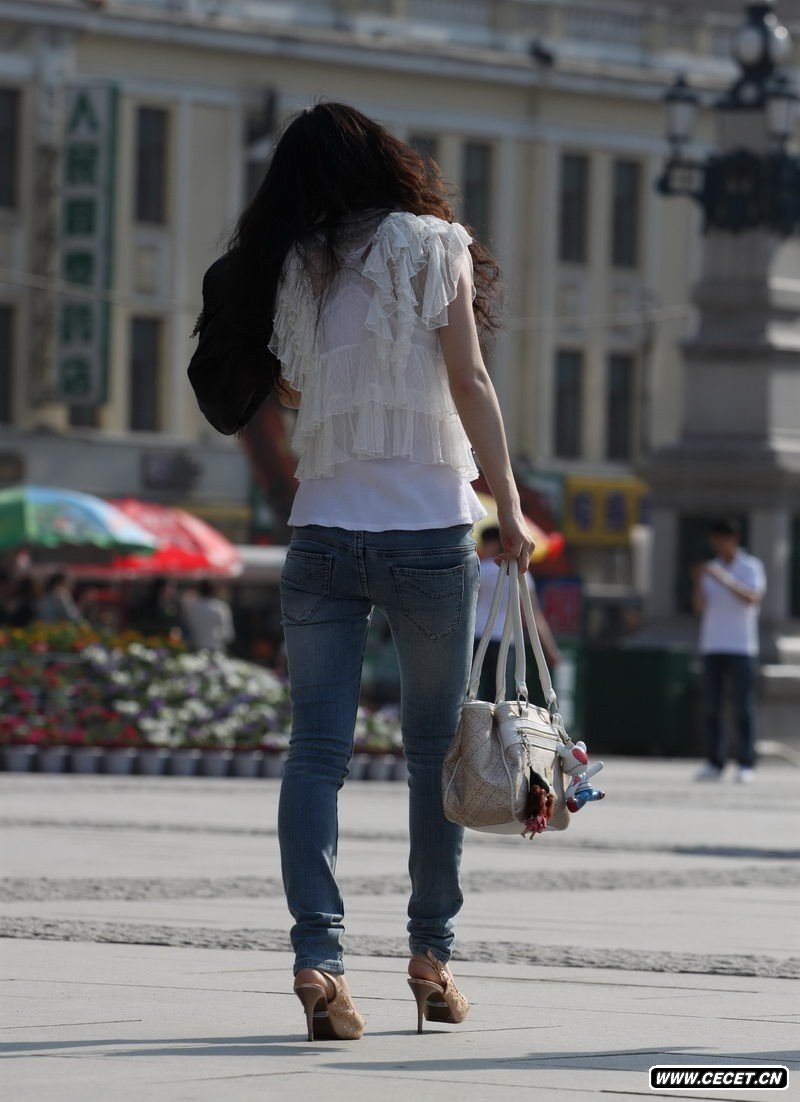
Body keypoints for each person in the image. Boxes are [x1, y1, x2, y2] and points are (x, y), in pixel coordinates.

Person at [211, 100, 533, 1042]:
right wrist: (509, 505)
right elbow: (469, 381)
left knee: (315, 753)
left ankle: (319, 961)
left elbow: (295, 391)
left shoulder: (293, 264)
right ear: (386, 162)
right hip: (427, 532)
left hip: (320, 532)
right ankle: (431, 957)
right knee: (434, 754)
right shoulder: (436, 244)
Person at [691, 518, 766, 783]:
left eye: (722, 540)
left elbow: (751, 598)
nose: (718, 546)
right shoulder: (711, 568)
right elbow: (699, 608)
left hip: (742, 646)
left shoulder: (750, 566)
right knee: (712, 707)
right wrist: (699, 582)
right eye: (715, 541)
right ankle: (715, 761)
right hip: (712, 645)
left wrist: (722, 578)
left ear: (733, 539)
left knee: (742, 707)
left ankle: (746, 762)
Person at [474, 526, 562, 703]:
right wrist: (550, 649)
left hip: (476, 637)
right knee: (500, 697)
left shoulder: (480, 570)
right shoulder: (521, 573)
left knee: (470, 693)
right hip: (506, 641)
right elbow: (532, 614)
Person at [182, 580, 235, 652]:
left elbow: (188, 626)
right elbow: (228, 633)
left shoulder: (192, 607)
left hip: (196, 647)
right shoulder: (220, 607)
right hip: (216, 647)